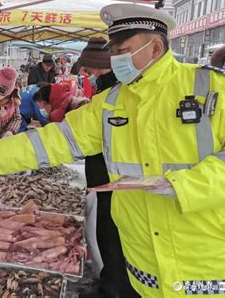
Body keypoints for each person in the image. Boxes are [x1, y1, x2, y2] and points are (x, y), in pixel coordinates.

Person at [0, 4, 225, 297]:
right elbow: (55, 140)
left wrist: (187, 185)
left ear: (154, 48)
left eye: (122, 51)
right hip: (146, 271)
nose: (115, 59)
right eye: (112, 52)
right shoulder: (112, 102)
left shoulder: (215, 87)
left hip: (218, 268)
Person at [77, 37, 135, 296]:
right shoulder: (105, 90)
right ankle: (109, 281)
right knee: (104, 232)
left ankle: (115, 289)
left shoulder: (119, 92)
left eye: (89, 71)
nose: (86, 76)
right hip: (103, 177)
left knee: (112, 236)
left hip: (116, 180)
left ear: (104, 66)